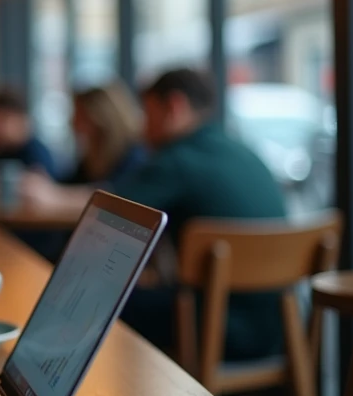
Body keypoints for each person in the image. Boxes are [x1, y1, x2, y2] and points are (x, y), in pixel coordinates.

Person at [20, 68, 287, 361]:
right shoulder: (241, 151)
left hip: (220, 328)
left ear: (174, 107)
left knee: (95, 298)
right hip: (279, 326)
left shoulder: (179, 160)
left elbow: (111, 206)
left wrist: (50, 197)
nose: (142, 128)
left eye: (148, 114)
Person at [63, 82, 146, 185]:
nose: (72, 121)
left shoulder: (133, 155)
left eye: (80, 114)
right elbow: (71, 183)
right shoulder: (92, 154)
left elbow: (116, 193)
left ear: (99, 118)